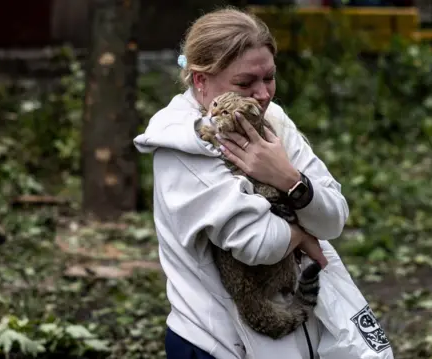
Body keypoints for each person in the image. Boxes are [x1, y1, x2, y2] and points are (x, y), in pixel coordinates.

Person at [132, 7, 350, 359]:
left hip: (293, 339)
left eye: (269, 78)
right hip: (218, 346)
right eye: (245, 83)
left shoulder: (273, 119)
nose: (263, 94)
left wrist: (287, 178)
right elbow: (259, 242)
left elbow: (334, 217)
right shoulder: (180, 146)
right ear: (201, 81)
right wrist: (304, 233)